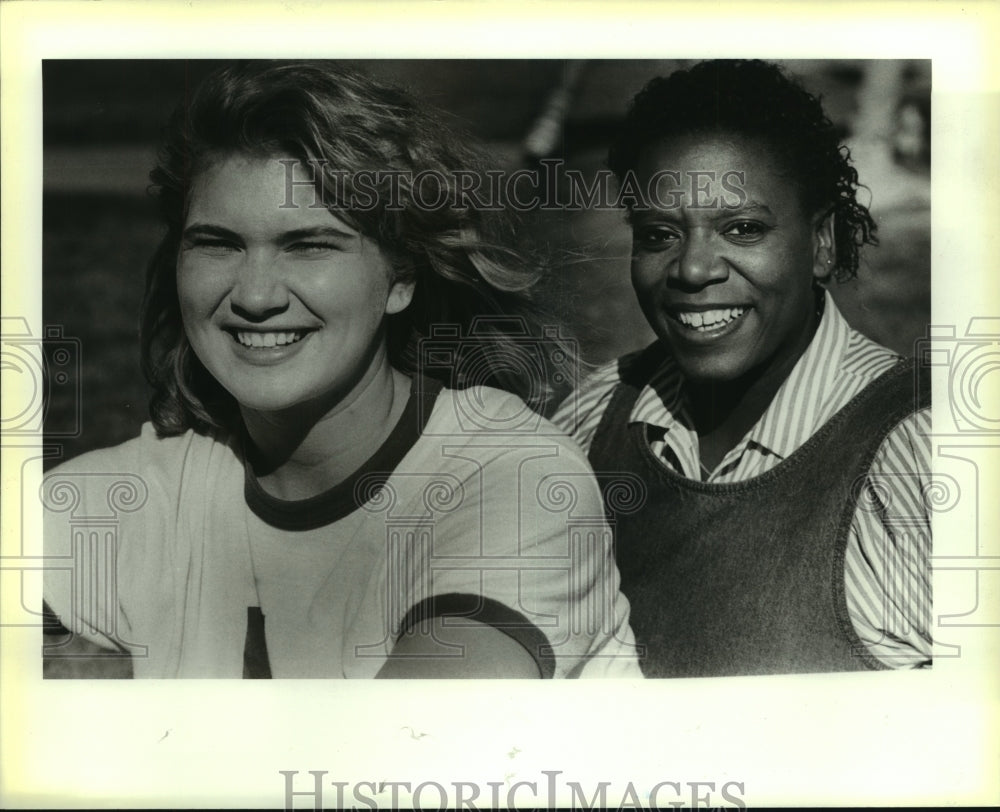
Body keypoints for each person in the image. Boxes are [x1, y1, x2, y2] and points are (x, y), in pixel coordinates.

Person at [42, 60, 639, 679]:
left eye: (309, 246)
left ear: (401, 278)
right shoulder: (142, 494)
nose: (255, 295)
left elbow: (417, 733)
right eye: (217, 243)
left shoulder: (511, 478)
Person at [553, 60, 931, 678]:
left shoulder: (918, 457)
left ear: (823, 243)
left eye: (743, 228)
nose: (693, 269)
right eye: (659, 234)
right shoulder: (593, 418)